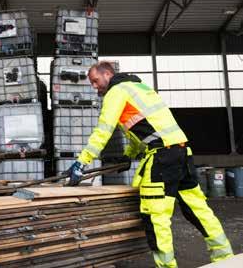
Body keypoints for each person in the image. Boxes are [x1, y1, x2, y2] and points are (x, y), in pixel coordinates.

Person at [67, 61, 234, 268]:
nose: (94, 86)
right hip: (182, 153)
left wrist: (81, 162)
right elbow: (147, 129)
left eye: (95, 81)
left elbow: (103, 130)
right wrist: (128, 155)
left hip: (162, 159)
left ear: (108, 74)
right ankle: (226, 258)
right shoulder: (140, 88)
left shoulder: (116, 92)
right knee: (198, 209)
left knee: (156, 217)